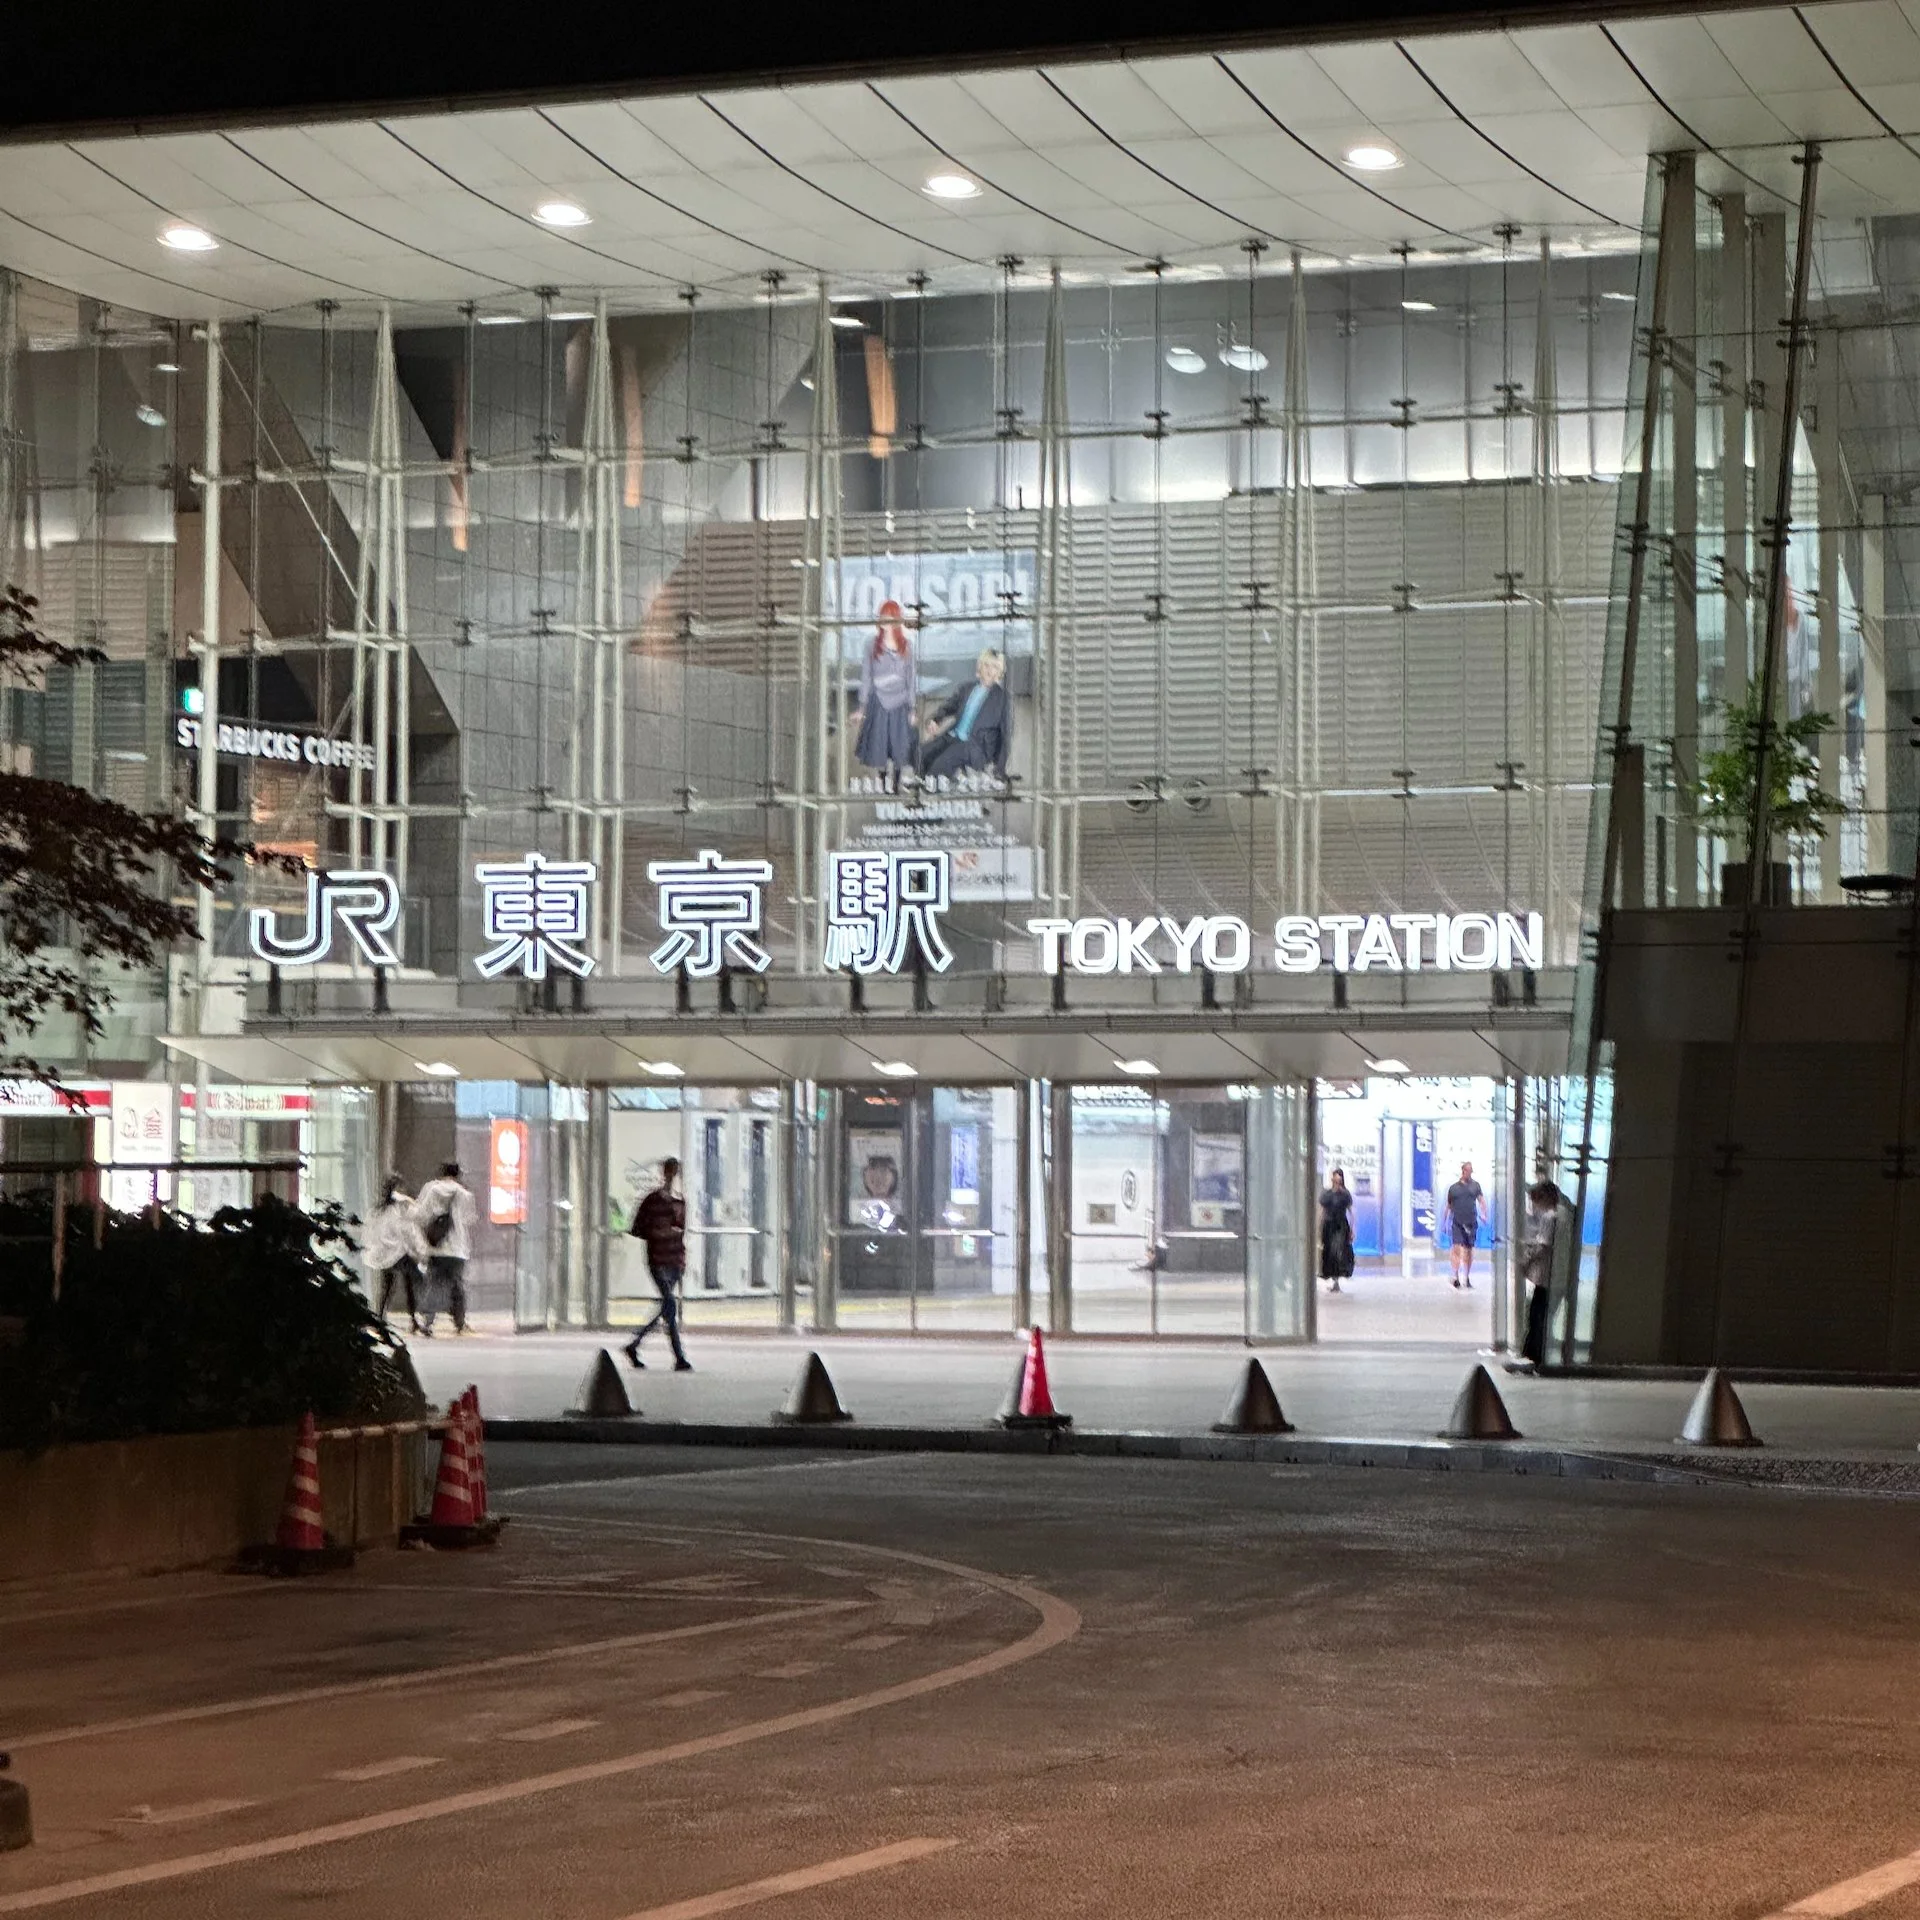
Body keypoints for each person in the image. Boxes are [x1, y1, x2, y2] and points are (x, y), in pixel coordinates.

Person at [625, 1157, 692, 1371]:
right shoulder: (652, 1200)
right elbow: (638, 1228)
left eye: (674, 1171)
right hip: (658, 1259)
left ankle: (635, 1345)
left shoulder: (679, 1201)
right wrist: (660, 1233)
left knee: (667, 1307)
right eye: (669, 1170)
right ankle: (678, 1357)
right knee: (669, 1305)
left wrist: (681, 1258)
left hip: (674, 1260)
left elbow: (681, 1230)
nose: (671, 1175)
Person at [850, 600, 917, 787]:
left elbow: (911, 679)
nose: (886, 622)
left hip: (900, 702)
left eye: (890, 618)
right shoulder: (871, 644)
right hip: (878, 701)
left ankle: (896, 782)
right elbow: (866, 676)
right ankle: (883, 782)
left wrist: (912, 708)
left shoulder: (907, 646)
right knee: (879, 745)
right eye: (883, 618)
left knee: (899, 745)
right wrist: (862, 706)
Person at [917, 648, 1010, 782]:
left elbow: (1005, 736)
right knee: (921, 754)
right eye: (986, 665)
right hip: (953, 736)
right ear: (980, 666)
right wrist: (935, 720)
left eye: (994, 667)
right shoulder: (966, 688)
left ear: (999, 672)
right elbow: (948, 707)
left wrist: (999, 769)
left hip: (975, 746)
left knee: (939, 765)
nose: (989, 670)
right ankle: (927, 783)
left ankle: (934, 785)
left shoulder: (1002, 699)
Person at [412, 1161, 476, 1336]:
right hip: (457, 1248)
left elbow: (420, 1216)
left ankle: (427, 1322)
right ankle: (460, 1323)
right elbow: (469, 1219)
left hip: (436, 1247)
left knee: (434, 1284)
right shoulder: (464, 1194)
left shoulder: (431, 1190)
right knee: (457, 1285)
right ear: (457, 1174)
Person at [363, 1172, 424, 1334]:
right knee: (409, 1283)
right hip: (398, 1251)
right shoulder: (399, 1208)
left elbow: (372, 1232)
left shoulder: (378, 1210)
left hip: (385, 1253)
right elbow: (410, 1224)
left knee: (387, 1286)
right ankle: (413, 1319)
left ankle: (379, 1318)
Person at [1519, 1178, 1570, 1365]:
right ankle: (1535, 1354)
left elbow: (1543, 1247)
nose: (1535, 1206)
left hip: (1546, 1277)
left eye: (1536, 1200)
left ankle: (1533, 1356)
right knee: (1545, 1316)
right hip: (1560, 1274)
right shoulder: (1565, 1214)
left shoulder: (1550, 1217)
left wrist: (1526, 1263)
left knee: (1536, 1316)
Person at [1444, 1160, 1485, 1289]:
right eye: (1468, 1171)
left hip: (1471, 1222)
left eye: (1471, 1171)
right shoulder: (1453, 1188)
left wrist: (1484, 1214)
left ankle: (1466, 1277)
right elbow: (1448, 1206)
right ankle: (1456, 1276)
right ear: (1463, 1171)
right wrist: (1445, 1221)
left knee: (1468, 1250)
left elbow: (1481, 1201)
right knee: (1456, 1248)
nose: (1470, 1173)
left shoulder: (1475, 1186)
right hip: (1457, 1222)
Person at [1319, 1167, 1356, 1292]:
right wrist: (1319, 1227)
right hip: (1329, 1225)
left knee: (1338, 1251)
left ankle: (1337, 1279)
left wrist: (1352, 1228)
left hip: (1341, 1226)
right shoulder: (1327, 1194)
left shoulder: (1345, 1195)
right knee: (1329, 1252)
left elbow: (1351, 1212)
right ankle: (1333, 1278)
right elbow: (1322, 1212)